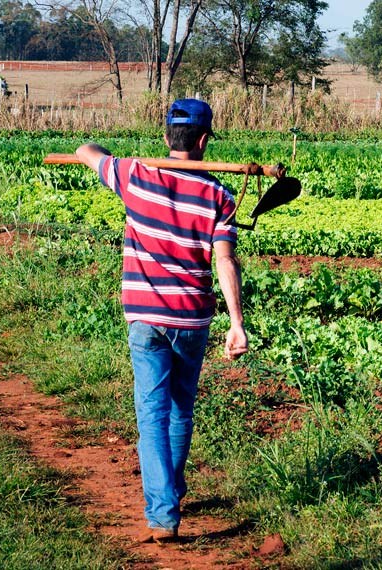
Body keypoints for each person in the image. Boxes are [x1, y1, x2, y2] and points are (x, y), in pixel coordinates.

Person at [75, 98, 248, 543]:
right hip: (192, 318)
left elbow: (84, 150)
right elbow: (226, 262)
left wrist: (105, 152)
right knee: (180, 411)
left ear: (166, 137)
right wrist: (237, 323)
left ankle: (164, 512)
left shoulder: (134, 175)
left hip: (145, 317)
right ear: (205, 141)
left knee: (153, 414)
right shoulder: (219, 195)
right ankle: (168, 496)